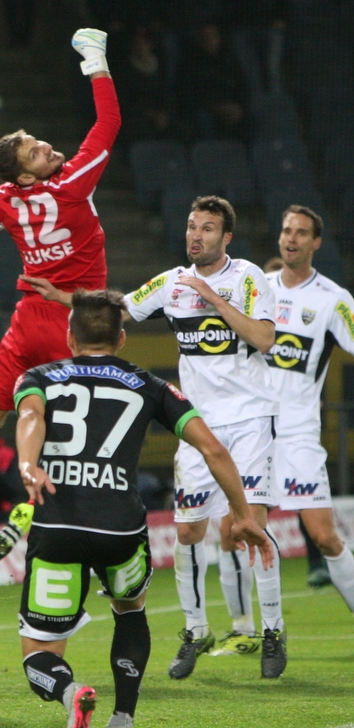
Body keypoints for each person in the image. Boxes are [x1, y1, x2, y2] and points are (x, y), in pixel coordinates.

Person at [13, 289, 272, 728]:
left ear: (69, 335)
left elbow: (30, 415)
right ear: (123, 337)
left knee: (38, 656)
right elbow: (213, 450)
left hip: (57, 524)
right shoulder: (151, 385)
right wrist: (242, 514)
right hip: (120, 527)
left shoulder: (38, 377)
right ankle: (122, 723)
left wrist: (30, 466)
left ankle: (71, 694)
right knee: (130, 611)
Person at [0, 28, 120, 553]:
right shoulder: (74, 181)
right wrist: (96, 62)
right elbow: (108, 123)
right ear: (27, 174)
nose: (44, 147)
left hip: (26, 325)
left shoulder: (3, 199)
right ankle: (30, 507)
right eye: (34, 152)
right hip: (75, 326)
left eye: (38, 142)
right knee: (82, 438)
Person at [125, 196, 286, 679]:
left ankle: (272, 629)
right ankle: (196, 631)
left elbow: (263, 339)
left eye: (208, 228)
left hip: (250, 421)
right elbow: (123, 309)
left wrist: (214, 299)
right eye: (192, 226)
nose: (196, 235)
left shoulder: (248, 278)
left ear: (226, 238)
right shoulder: (171, 282)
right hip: (198, 426)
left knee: (248, 524)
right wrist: (64, 298)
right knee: (189, 531)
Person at [264, 205, 354, 615]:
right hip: (252, 432)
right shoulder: (257, 288)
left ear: (316, 243)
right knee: (235, 531)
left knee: (323, 536)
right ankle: (253, 631)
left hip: (298, 435)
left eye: (301, 232)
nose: (292, 238)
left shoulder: (333, 300)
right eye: (287, 230)